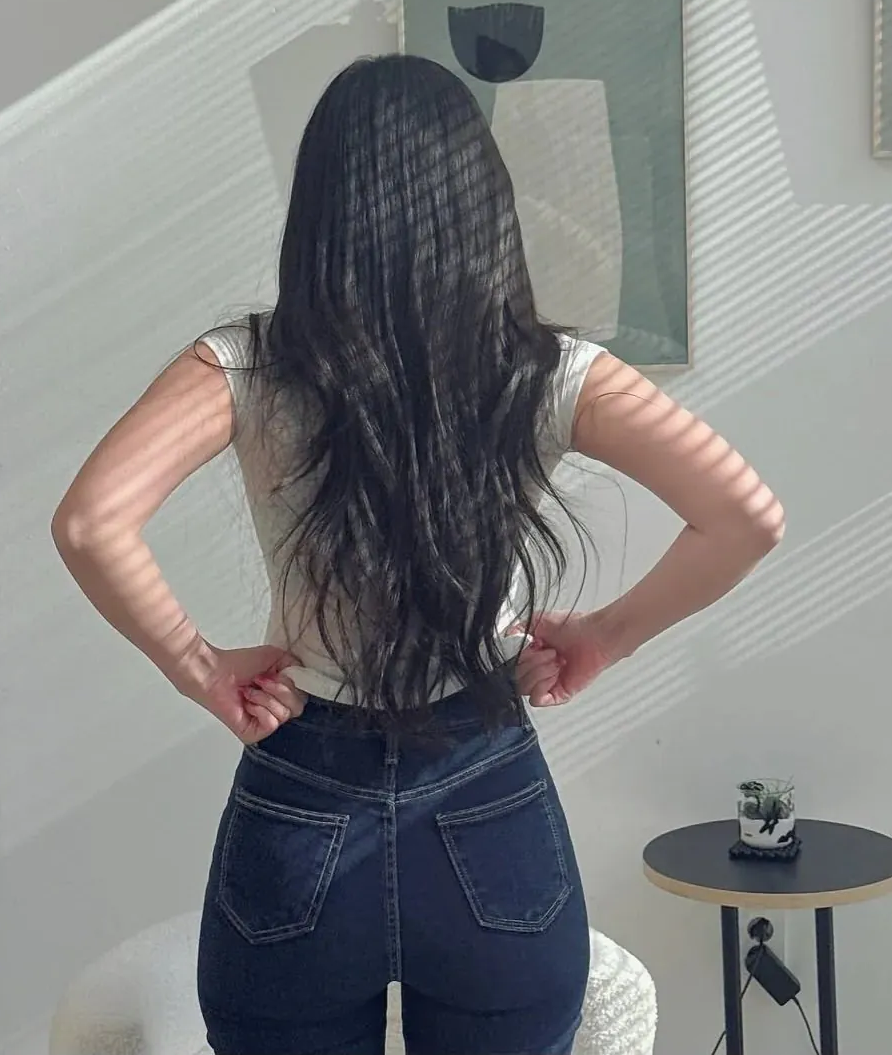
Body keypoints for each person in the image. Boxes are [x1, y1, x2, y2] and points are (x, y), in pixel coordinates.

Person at [52, 54, 784, 1055]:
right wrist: (605, 636)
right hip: (486, 788)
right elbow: (746, 516)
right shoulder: (548, 371)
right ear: (485, 203)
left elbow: (91, 522)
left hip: (302, 796)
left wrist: (201, 669)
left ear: (318, 210)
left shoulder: (246, 364)